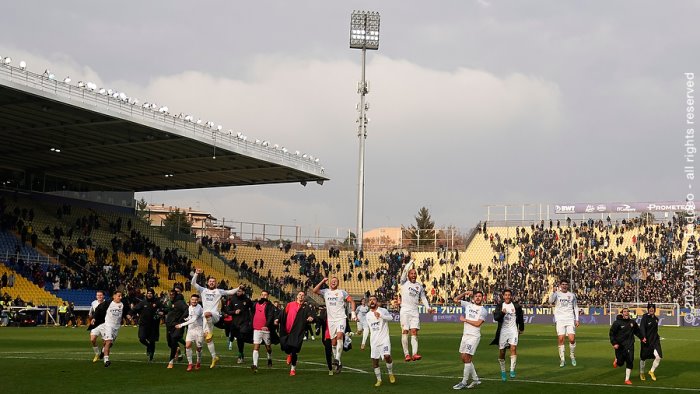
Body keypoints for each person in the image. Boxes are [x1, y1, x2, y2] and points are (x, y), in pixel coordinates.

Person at [191, 268, 238, 368]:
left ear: (216, 283)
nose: (212, 283)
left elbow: (230, 292)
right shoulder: (203, 290)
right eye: (210, 281)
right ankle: (214, 357)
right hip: (206, 318)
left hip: (215, 315)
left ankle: (210, 333)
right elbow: (193, 283)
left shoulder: (219, 291)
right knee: (206, 339)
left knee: (207, 313)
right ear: (207, 283)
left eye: (213, 282)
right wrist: (196, 274)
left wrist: (239, 288)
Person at [313, 276, 356, 374]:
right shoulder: (326, 291)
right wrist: (322, 281)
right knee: (333, 343)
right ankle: (339, 362)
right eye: (332, 281)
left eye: (335, 281)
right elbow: (315, 290)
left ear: (338, 283)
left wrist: (353, 312)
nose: (333, 282)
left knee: (340, 336)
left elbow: (352, 301)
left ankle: (336, 359)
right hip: (331, 320)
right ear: (329, 283)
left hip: (341, 318)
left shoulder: (342, 292)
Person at [452, 290, 487, 390]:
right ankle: (475, 379)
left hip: (474, 336)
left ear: (482, 298)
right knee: (464, 358)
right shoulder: (468, 305)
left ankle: (464, 382)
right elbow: (455, 300)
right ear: (473, 297)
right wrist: (465, 293)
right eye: (476, 296)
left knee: (467, 357)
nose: (478, 298)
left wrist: (465, 320)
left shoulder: (483, 310)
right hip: (465, 335)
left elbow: (478, 324)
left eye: (480, 296)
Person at [399, 259, 433, 362]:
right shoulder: (404, 282)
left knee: (414, 332)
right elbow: (405, 270)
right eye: (412, 273)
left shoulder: (419, 286)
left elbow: (423, 298)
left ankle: (414, 354)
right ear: (408, 275)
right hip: (405, 310)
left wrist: (428, 308)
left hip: (414, 311)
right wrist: (410, 263)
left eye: (415, 274)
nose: (413, 275)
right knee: (405, 331)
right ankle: (406, 354)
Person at [490, 289, 525, 381]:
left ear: (511, 296)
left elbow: (521, 317)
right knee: (502, 352)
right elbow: (496, 318)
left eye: (509, 295)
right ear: (503, 296)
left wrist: (521, 328)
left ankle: (512, 370)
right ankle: (503, 371)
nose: (507, 297)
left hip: (513, 330)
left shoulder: (516, 306)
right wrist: (502, 312)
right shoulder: (500, 305)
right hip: (503, 331)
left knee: (513, 348)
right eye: (506, 295)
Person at [279, 291, 315, 376]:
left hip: (298, 332)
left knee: (295, 350)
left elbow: (311, 314)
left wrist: (310, 317)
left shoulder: (306, 308)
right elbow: (283, 314)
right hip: (287, 330)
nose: (301, 296)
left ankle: (293, 369)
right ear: (297, 296)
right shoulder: (290, 305)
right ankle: (289, 354)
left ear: (304, 297)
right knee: (285, 347)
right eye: (299, 295)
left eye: (303, 295)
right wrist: (277, 320)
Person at [90, 291, 129, 367]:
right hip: (108, 325)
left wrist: (128, 316)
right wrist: (94, 318)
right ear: (114, 296)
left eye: (121, 296)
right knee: (107, 341)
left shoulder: (122, 304)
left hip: (116, 326)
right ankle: (106, 360)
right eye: (119, 296)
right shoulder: (108, 303)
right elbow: (97, 309)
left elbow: (126, 311)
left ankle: (103, 351)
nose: (120, 297)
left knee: (109, 343)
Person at [548, 279, 579, 367]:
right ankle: (562, 359)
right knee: (561, 339)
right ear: (560, 285)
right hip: (560, 319)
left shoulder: (572, 295)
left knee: (572, 339)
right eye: (563, 284)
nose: (564, 286)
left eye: (566, 284)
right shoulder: (557, 294)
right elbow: (550, 301)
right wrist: (553, 292)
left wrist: (577, 319)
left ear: (568, 285)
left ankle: (572, 356)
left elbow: (575, 307)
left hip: (569, 319)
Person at [366, 295, 396, 387]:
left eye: (374, 300)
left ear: (377, 302)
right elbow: (368, 328)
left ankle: (390, 373)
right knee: (375, 362)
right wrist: (363, 342)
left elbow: (391, 318)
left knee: (387, 356)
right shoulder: (368, 315)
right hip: (374, 341)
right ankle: (379, 380)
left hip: (384, 339)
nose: (372, 301)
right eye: (370, 300)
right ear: (368, 302)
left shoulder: (383, 310)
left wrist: (381, 316)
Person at [609, 307, 643, 385]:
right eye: (625, 311)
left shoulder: (632, 322)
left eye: (627, 311)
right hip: (620, 346)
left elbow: (637, 331)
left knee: (630, 360)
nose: (626, 313)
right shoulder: (617, 323)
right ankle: (617, 360)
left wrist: (642, 338)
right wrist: (614, 343)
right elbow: (611, 334)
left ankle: (627, 379)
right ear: (622, 313)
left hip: (630, 345)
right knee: (620, 363)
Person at [130, 288, 163, 361]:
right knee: (141, 338)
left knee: (152, 341)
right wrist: (130, 314)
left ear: (153, 294)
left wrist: (162, 312)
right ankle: (148, 346)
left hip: (154, 325)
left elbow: (164, 309)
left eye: (151, 293)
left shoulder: (157, 302)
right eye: (148, 293)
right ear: (146, 294)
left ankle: (151, 356)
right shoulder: (143, 303)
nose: (149, 294)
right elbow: (135, 309)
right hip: (143, 324)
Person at [224, 285, 253, 364]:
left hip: (245, 322)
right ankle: (240, 353)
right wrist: (234, 312)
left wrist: (251, 318)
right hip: (235, 323)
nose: (238, 292)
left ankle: (240, 354)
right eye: (237, 291)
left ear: (243, 292)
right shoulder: (233, 299)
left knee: (242, 336)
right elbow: (228, 311)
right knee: (239, 339)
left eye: (239, 291)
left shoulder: (247, 300)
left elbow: (253, 309)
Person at [250, 290, 278, 372]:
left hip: (266, 330)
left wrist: (266, 325)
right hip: (257, 329)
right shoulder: (255, 304)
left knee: (268, 347)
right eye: (262, 295)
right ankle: (255, 365)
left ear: (268, 296)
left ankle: (269, 358)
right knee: (256, 346)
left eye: (265, 295)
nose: (263, 296)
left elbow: (270, 316)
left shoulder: (270, 306)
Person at [176, 294, 205, 371]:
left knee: (198, 348)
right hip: (191, 329)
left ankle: (198, 362)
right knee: (188, 345)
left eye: (196, 300)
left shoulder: (199, 308)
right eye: (192, 300)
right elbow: (191, 317)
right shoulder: (190, 307)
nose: (194, 301)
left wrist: (181, 324)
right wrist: (186, 318)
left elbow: (194, 319)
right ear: (190, 300)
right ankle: (190, 364)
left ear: (198, 300)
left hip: (199, 330)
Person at [639, 303, 663, 381]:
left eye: (653, 308)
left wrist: (658, 336)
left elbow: (655, 330)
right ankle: (642, 372)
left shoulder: (656, 319)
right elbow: (642, 327)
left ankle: (651, 371)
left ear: (655, 309)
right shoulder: (645, 317)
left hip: (655, 341)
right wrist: (643, 337)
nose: (651, 309)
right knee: (643, 358)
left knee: (658, 357)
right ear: (648, 309)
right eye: (650, 308)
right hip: (646, 341)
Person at [165, 289, 188, 369]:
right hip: (169, 325)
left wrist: (182, 320)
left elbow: (187, 309)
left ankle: (171, 361)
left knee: (174, 339)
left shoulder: (180, 302)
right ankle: (178, 349)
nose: (171, 296)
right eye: (170, 294)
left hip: (177, 325)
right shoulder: (172, 303)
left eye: (172, 294)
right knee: (170, 342)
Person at [88, 290, 107, 362]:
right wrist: (91, 318)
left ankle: (103, 351)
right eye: (98, 295)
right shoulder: (93, 303)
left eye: (100, 295)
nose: (99, 296)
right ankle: (97, 353)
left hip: (104, 324)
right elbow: (90, 312)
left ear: (103, 296)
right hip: (95, 324)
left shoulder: (107, 303)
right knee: (92, 339)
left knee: (105, 342)